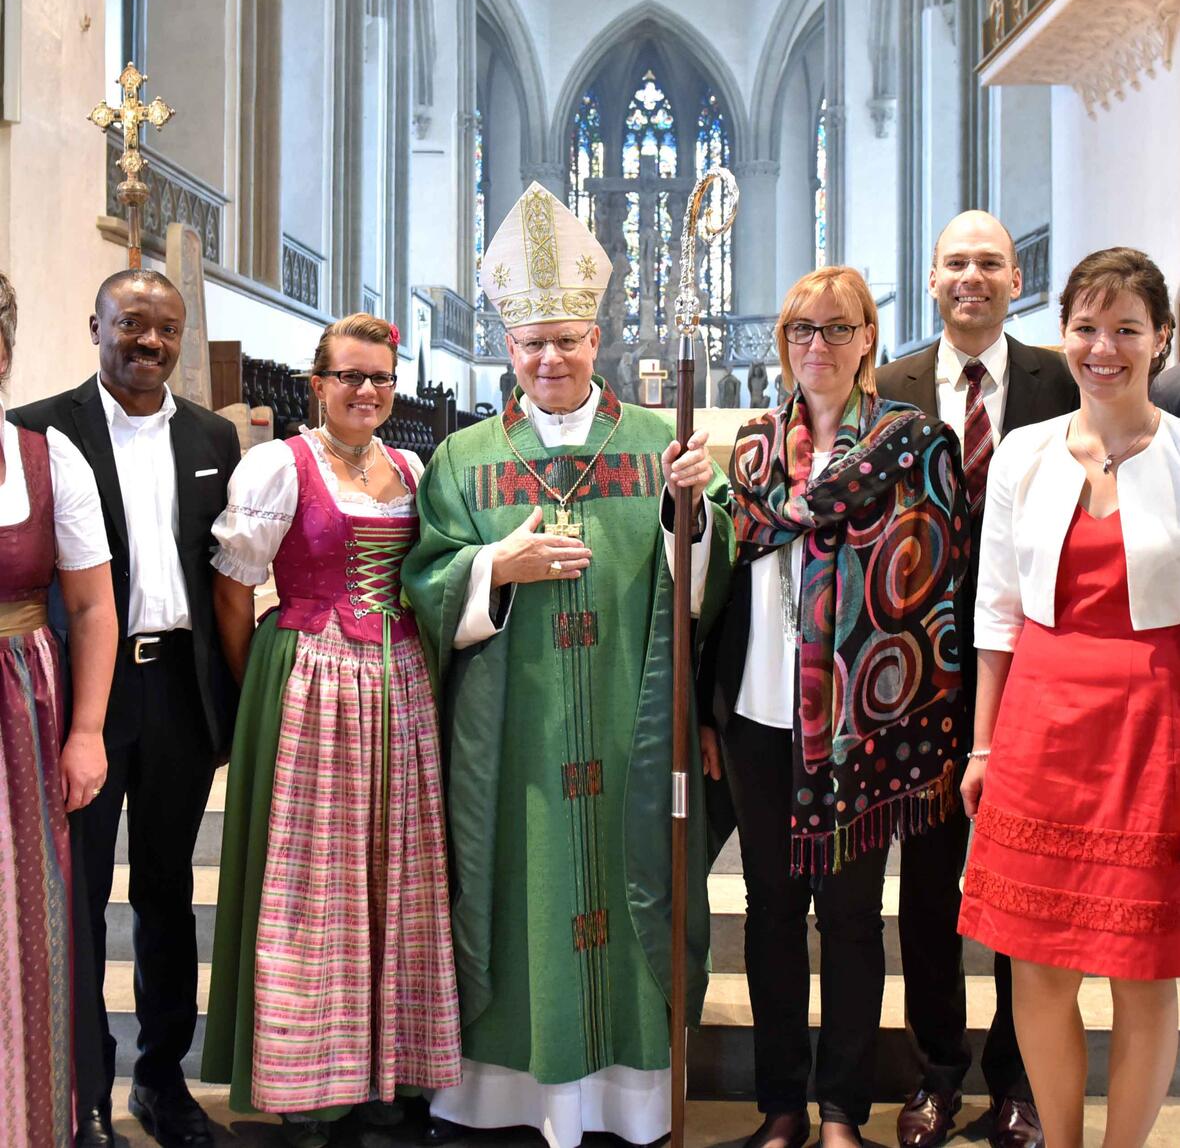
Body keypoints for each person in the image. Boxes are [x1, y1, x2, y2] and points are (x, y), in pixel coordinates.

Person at [401, 181, 733, 1148]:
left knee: (635, 898)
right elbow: (426, 581)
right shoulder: (464, 458)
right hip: (516, 746)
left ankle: (628, 1102)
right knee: (517, 899)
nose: (550, 358)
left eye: (568, 339)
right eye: (531, 343)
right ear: (508, 350)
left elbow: (700, 582)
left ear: (597, 341)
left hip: (630, 733)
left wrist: (688, 511)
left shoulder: (656, 445)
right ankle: (504, 1095)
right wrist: (491, 567)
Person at [700, 266, 969, 1148]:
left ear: (868, 343)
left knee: (852, 917)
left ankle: (843, 1107)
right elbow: (719, 587)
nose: (818, 346)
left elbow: (934, 583)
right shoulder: (747, 452)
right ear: (783, 345)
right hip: (757, 713)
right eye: (801, 331)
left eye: (837, 329)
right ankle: (783, 1104)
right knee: (772, 911)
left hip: (864, 721)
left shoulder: (912, 444)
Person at [201, 313, 462, 1147]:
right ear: (317, 385)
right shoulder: (279, 464)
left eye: (380, 377)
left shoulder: (414, 466)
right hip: (311, 679)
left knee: (396, 872)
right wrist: (267, 686)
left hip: (402, 686)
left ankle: (388, 1076)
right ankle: (305, 1078)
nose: (365, 391)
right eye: (349, 376)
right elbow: (235, 591)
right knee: (316, 884)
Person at [9, 269, 241, 1148]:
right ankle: (85, 1087)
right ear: (94, 323)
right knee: (78, 895)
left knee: (167, 891)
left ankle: (161, 1078)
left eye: (166, 329)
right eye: (132, 325)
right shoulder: (40, 429)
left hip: (179, 687)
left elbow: (225, 574)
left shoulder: (216, 434)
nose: (150, 343)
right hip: (85, 693)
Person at [959, 246, 1180, 1148]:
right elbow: (997, 617)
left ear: (1160, 340)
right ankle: (1061, 1140)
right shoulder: (1023, 453)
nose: (1104, 347)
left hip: (1156, 725)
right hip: (1041, 727)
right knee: (1039, 968)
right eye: (1087, 327)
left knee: (1145, 968)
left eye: (1126, 328)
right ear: (1064, 335)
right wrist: (982, 747)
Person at [876, 209, 1078, 1148]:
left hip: (1032, 674)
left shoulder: (1060, 379)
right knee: (926, 892)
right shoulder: (889, 387)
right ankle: (935, 1074)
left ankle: (1020, 1080)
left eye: (989, 263)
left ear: (1013, 280)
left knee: (1026, 891)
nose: (972, 277)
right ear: (930, 277)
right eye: (955, 262)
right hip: (915, 683)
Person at [0, 272, 118, 1148]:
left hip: (20, 711)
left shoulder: (45, 458)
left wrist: (84, 732)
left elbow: (90, 608)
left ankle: (27, 1118)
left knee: (25, 919)